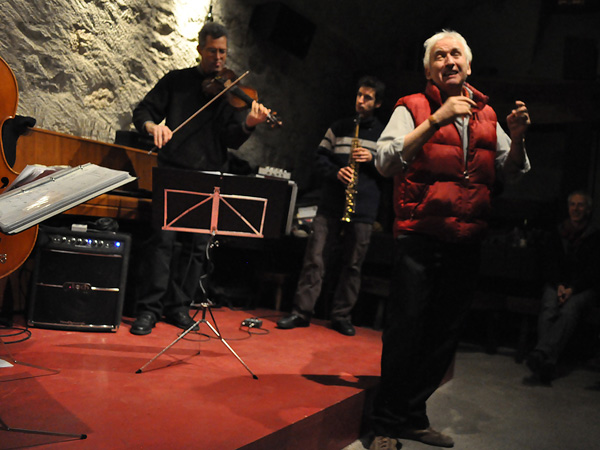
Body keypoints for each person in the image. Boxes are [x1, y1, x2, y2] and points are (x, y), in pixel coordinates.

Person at [369, 30, 531, 449]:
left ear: (469, 64)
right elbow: (385, 161)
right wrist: (435, 121)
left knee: (443, 335)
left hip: (466, 239)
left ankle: (412, 416)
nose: (449, 61)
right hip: (419, 236)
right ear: (429, 69)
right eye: (439, 56)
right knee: (406, 332)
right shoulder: (413, 107)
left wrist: (518, 137)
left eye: (456, 54)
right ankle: (386, 424)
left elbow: (512, 171)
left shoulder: (488, 115)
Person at [129, 22, 270, 335]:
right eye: (212, 51)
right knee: (162, 244)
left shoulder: (232, 91)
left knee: (197, 248)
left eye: (223, 52)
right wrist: (154, 128)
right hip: (173, 170)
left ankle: (178, 307)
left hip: (209, 174)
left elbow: (232, 139)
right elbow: (143, 112)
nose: (219, 58)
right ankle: (149, 310)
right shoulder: (177, 81)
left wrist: (249, 122)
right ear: (199, 49)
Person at [276, 76, 386, 336]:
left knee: (353, 264)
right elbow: (318, 159)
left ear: (378, 103)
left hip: (364, 207)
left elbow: (392, 170)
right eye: (359, 95)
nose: (361, 101)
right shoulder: (339, 127)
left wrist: (372, 159)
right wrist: (337, 172)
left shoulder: (384, 135)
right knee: (315, 258)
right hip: (331, 203)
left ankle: (341, 315)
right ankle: (301, 312)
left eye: (367, 97)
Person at [526, 191, 600, 383]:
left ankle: (542, 353)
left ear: (588, 210)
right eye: (572, 204)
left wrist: (572, 289)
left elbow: (593, 270)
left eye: (580, 205)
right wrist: (559, 285)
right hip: (557, 284)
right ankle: (549, 362)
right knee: (549, 306)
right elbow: (550, 263)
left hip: (581, 288)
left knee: (570, 309)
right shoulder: (558, 232)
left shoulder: (595, 236)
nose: (576, 209)